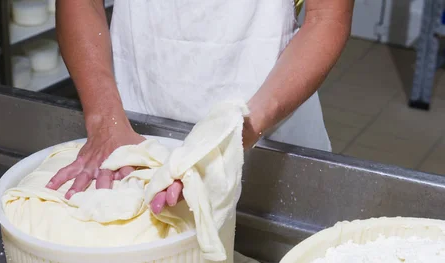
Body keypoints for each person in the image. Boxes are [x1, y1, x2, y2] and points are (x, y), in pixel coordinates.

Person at [47, 0, 354, 213]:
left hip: (269, 129)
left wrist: (242, 127)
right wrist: (105, 119)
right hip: (133, 135)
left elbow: (326, 17)